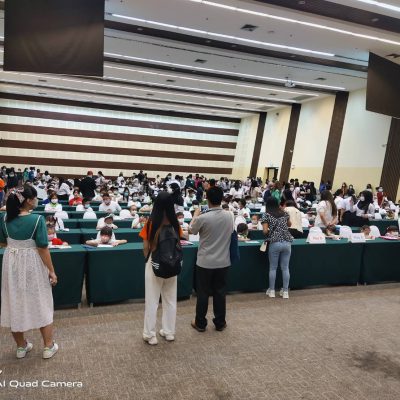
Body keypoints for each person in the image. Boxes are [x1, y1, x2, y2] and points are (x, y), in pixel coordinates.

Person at [0, 186, 58, 359]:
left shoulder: (4, 219)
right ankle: (48, 346)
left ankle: (21, 346)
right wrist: (52, 271)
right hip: (33, 264)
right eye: (34, 197)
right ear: (28, 200)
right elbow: (43, 248)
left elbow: (3, 243)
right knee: (42, 301)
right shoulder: (37, 219)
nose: (36, 200)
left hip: (11, 264)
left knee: (14, 301)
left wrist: (16, 246)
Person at [139, 191, 183, 345]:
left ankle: (150, 335)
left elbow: (145, 247)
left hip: (155, 262)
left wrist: (148, 260)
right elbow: (179, 243)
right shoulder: (175, 223)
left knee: (152, 301)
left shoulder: (151, 223)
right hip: (172, 263)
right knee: (170, 300)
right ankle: (169, 332)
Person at [189, 186, 233, 332]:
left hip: (205, 262)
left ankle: (200, 323)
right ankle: (220, 322)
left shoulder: (203, 217)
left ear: (207, 199)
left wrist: (195, 215)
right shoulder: (229, 215)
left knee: (203, 293)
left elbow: (191, 230)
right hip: (223, 261)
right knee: (220, 293)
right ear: (221, 199)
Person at [261, 197, 293, 299]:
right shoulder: (285, 213)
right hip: (287, 242)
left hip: (275, 242)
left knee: (273, 268)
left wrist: (270, 230)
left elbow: (265, 231)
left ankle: (272, 291)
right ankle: (285, 292)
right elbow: (289, 224)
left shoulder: (266, 215)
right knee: (285, 268)